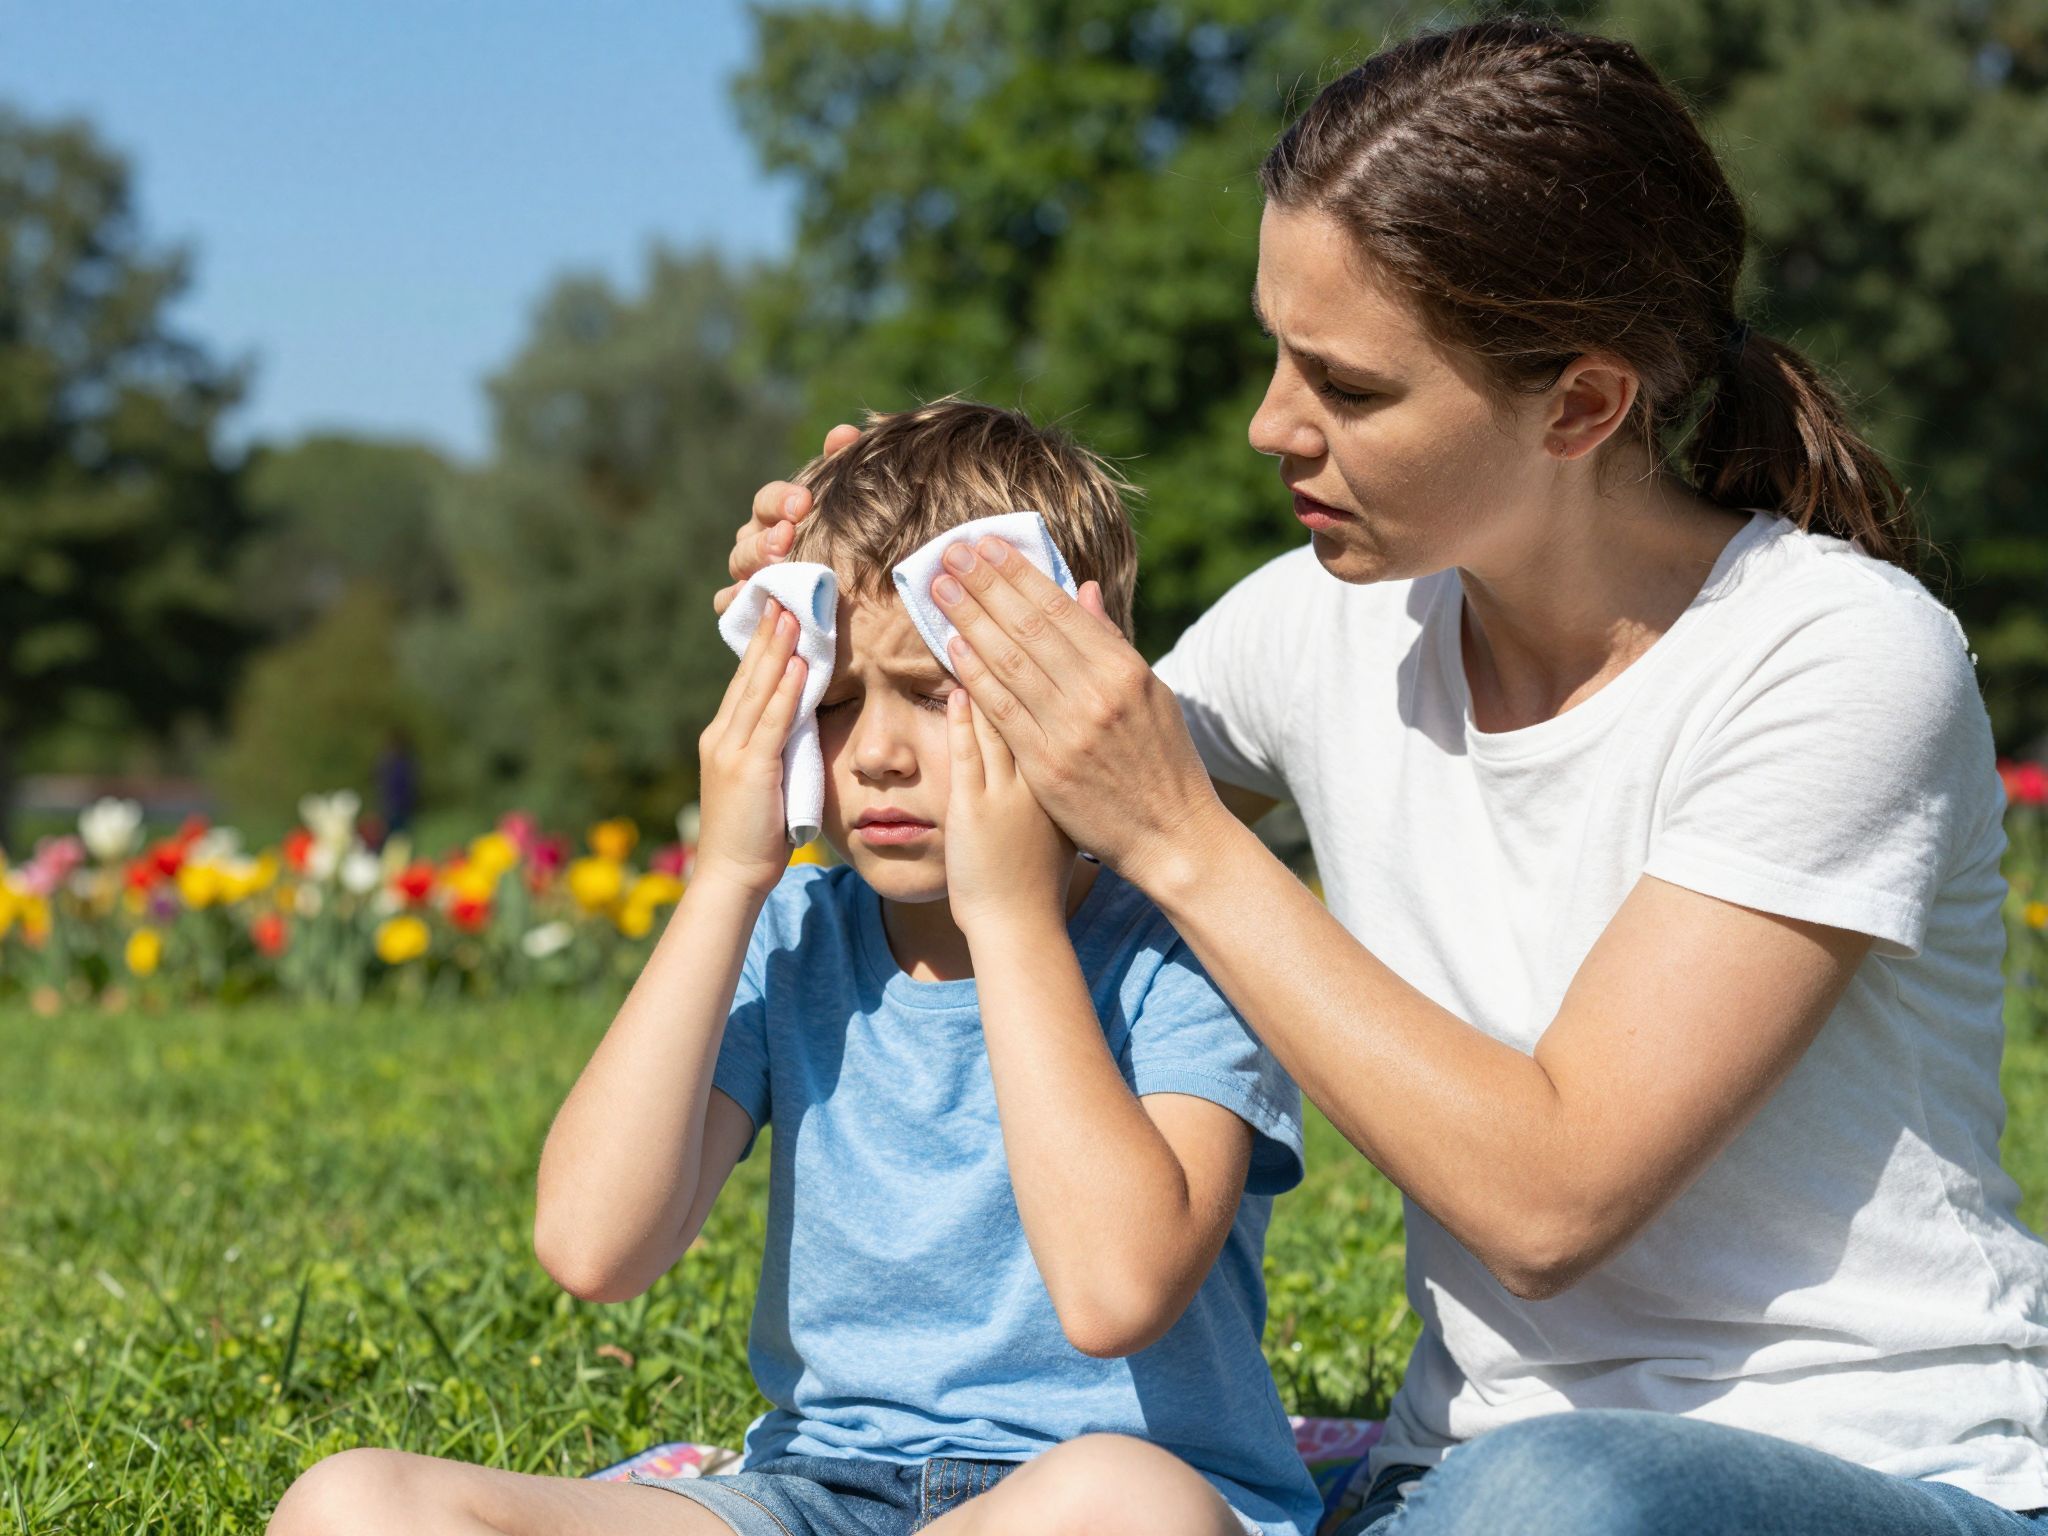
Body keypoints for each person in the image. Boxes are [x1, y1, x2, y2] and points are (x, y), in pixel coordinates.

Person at [724, 21, 2048, 1536]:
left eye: (1348, 388)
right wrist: (858, 592)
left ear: (1580, 406)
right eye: (1276, 351)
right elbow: (1006, 795)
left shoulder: (1835, 656)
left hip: (1886, 1467)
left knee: (1559, 1495)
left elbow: (1553, 1204)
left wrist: (1184, 841)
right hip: (1463, 1485)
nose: (1270, 425)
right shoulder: (1327, 618)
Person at [266, 401, 1323, 1536]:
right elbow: (593, 1245)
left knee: (1120, 1508)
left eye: (932, 692)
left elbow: (1115, 1293)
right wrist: (726, 878)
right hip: (816, 1497)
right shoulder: (798, 933)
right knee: (352, 1502)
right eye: (830, 704)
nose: (872, 751)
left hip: (1101, 1497)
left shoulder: (1181, 944)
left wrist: (1009, 915)